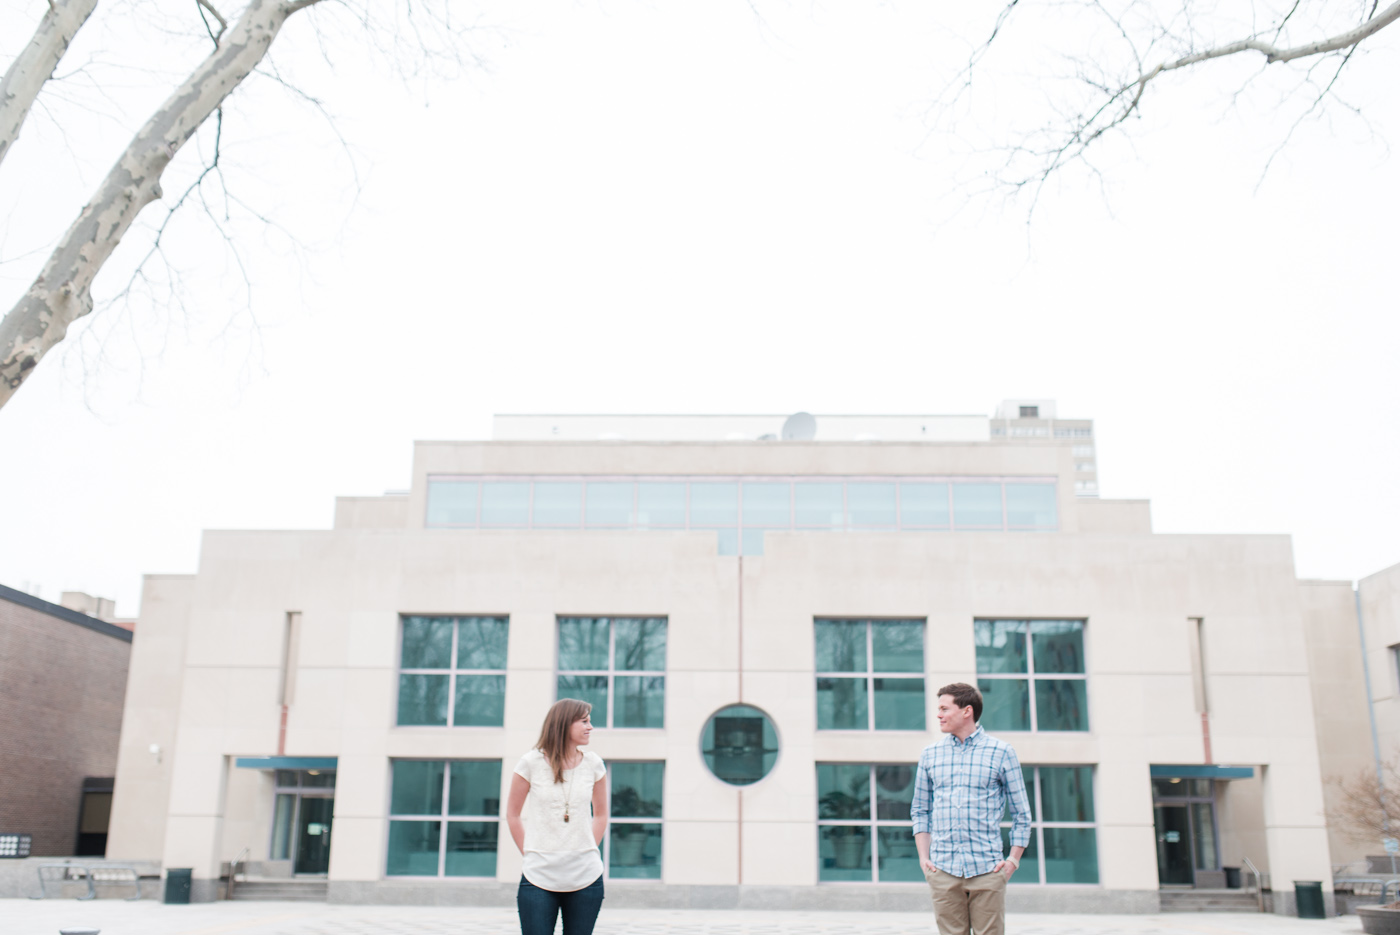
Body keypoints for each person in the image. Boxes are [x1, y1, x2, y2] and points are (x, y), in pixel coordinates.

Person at [911, 682, 1032, 935]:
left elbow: (1022, 814)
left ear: (967, 711)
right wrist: (924, 859)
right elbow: (920, 810)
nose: (938, 714)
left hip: (988, 869)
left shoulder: (1002, 752)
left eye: (944, 708)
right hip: (943, 869)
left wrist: (1013, 861)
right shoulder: (930, 755)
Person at [507, 698, 609, 935]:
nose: (590, 727)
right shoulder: (530, 762)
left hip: (586, 876)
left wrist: (586, 848)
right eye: (584, 721)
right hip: (538, 877)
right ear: (564, 724)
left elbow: (601, 815)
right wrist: (531, 852)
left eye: (590, 722)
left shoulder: (594, 764)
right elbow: (512, 815)